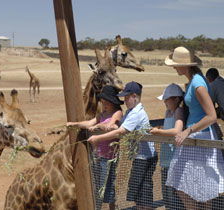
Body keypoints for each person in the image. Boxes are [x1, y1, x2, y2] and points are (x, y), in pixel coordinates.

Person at [164, 46, 224, 209]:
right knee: (190, 184)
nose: (174, 67)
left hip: (200, 136)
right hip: (196, 135)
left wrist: (188, 130)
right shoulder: (194, 81)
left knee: (189, 183)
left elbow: (211, 116)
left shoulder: (197, 83)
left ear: (186, 65)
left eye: (175, 64)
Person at [88, 81, 157, 210]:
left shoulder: (136, 113)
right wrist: (107, 125)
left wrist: (98, 138)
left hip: (145, 157)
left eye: (127, 97)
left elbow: (121, 131)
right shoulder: (130, 112)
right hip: (140, 156)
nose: (125, 100)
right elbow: (119, 126)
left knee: (142, 189)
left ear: (135, 96)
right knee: (139, 188)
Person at [67, 85, 123, 210]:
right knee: (97, 185)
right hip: (98, 155)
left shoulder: (117, 113)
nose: (104, 105)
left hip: (109, 158)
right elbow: (89, 123)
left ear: (113, 102)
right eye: (102, 102)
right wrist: (74, 124)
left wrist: (98, 126)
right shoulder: (101, 114)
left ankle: (112, 207)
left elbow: (111, 126)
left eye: (106, 102)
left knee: (108, 185)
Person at [150, 83, 185, 210]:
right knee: (167, 196)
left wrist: (159, 132)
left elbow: (177, 131)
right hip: (166, 159)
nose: (165, 101)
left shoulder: (179, 111)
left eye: (167, 99)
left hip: (175, 160)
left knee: (175, 196)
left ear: (176, 99)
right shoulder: (168, 112)